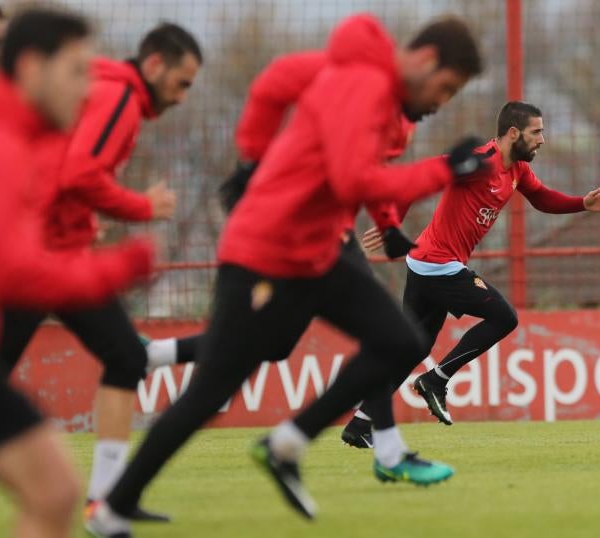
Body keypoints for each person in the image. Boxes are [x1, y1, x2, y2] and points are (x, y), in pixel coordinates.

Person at [87, 13, 488, 536]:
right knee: (211, 393)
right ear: (426, 60)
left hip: (314, 252)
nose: (441, 103)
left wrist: (255, 157)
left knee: (396, 340)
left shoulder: (372, 87)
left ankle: (288, 444)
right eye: (446, 88)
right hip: (265, 251)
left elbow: (276, 83)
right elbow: (351, 179)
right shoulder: (364, 85)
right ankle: (114, 507)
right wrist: (443, 171)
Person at [0, 8, 154, 537]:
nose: (89, 89)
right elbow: (13, 277)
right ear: (30, 68)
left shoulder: (11, 139)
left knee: (54, 491)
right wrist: (118, 267)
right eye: (76, 71)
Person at [144, 49, 418, 392]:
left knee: (276, 344)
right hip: (325, 238)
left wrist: (388, 221)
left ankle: (157, 353)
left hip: (321, 238)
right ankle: (375, 439)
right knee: (390, 336)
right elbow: (364, 173)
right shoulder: (363, 103)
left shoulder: (378, 110)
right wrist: (390, 221)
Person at [348, 101, 600, 434]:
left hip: (425, 264)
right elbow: (422, 176)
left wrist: (582, 204)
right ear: (514, 133)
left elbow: (542, 198)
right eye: (537, 132)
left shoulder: (517, 169)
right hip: (438, 265)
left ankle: (361, 423)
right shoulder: (480, 163)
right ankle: (436, 380)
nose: (542, 140)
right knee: (504, 317)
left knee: (412, 348)